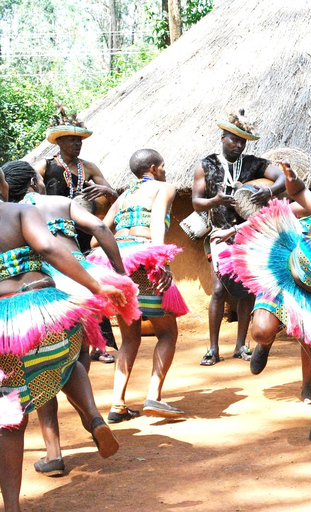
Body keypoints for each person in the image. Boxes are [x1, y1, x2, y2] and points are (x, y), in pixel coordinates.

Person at [0, 166, 126, 512]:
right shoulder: (22, 211)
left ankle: (12, 506)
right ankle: (92, 417)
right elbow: (50, 248)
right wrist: (97, 285)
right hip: (44, 310)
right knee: (67, 362)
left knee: (10, 417)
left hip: (4, 331)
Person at [217, 161, 311, 446]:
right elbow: (299, 192)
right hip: (283, 274)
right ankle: (266, 342)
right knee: (261, 331)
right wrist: (293, 178)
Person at [90, 149, 188, 421]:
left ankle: (117, 404)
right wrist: (161, 261)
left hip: (118, 264)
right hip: (145, 261)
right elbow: (157, 221)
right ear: (155, 168)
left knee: (129, 337)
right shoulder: (163, 188)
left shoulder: (123, 196)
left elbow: (96, 238)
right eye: (164, 166)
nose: (166, 171)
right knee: (167, 333)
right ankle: (154, 398)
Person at [191, 112, 286, 366]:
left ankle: (241, 345)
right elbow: (196, 202)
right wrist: (214, 201)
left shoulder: (254, 164)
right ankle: (212, 348)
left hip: (250, 234)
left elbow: (283, 178)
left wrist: (268, 191)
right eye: (234, 140)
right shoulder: (206, 165)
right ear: (223, 137)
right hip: (220, 234)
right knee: (220, 289)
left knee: (246, 292)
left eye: (243, 142)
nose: (239, 145)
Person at [34, 106, 119, 364]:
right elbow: (27, 194)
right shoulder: (45, 166)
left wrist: (104, 189)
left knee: (91, 285)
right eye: (72, 140)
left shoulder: (88, 167)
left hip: (81, 236)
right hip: (54, 235)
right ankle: (61, 343)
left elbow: (114, 195)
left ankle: (100, 346)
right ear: (58, 141)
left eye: (79, 140)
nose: (77, 144)